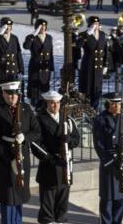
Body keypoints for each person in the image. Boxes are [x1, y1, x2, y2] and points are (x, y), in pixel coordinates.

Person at [0, 81, 41, 224]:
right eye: (8, 94)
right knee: (6, 196)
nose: (12, 97)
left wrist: (25, 138)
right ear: (3, 94)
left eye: (14, 94)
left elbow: (36, 131)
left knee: (19, 193)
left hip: (22, 155)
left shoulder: (26, 109)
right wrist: (8, 158)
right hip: (4, 159)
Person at [30, 90, 81, 224]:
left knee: (63, 200)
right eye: (52, 103)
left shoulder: (68, 120)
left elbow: (77, 139)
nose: (55, 106)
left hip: (65, 165)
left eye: (57, 103)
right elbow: (35, 144)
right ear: (47, 103)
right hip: (49, 166)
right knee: (48, 201)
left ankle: (61, 220)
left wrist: (69, 139)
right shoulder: (39, 120)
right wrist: (50, 158)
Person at [93, 92, 123, 224]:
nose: (117, 106)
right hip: (109, 164)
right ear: (108, 104)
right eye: (114, 104)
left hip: (122, 162)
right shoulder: (100, 120)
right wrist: (110, 162)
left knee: (120, 197)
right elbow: (99, 145)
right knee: (107, 198)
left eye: (119, 103)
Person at [0, 17, 24, 105]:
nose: (8, 28)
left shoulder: (14, 38)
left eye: (10, 26)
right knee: (1, 97)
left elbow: (18, 54)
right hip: (1, 72)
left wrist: (21, 70)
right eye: (6, 26)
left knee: (13, 97)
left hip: (13, 72)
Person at [78, 16, 109, 110]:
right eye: (93, 24)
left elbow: (105, 50)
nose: (96, 26)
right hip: (88, 67)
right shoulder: (84, 34)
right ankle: (87, 110)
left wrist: (105, 65)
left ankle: (94, 110)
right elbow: (79, 44)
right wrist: (88, 33)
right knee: (87, 89)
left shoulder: (102, 34)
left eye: (97, 24)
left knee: (97, 90)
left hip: (98, 68)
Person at [23, 19, 54, 108]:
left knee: (44, 90)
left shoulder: (49, 37)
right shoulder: (31, 37)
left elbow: (51, 52)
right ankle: (34, 106)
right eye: (41, 26)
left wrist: (51, 67)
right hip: (35, 67)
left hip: (45, 68)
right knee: (35, 90)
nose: (43, 28)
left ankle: (43, 108)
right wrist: (33, 35)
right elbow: (26, 46)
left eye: (44, 26)